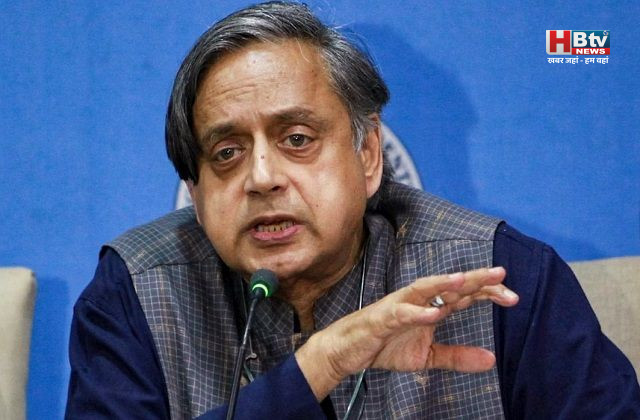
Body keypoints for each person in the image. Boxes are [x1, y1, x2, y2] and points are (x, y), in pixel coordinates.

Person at [65, 2, 640, 419]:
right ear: (194, 190)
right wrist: (320, 364)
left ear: (368, 155)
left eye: (297, 139)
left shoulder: (502, 278)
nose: (261, 177)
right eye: (227, 153)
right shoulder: (135, 293)